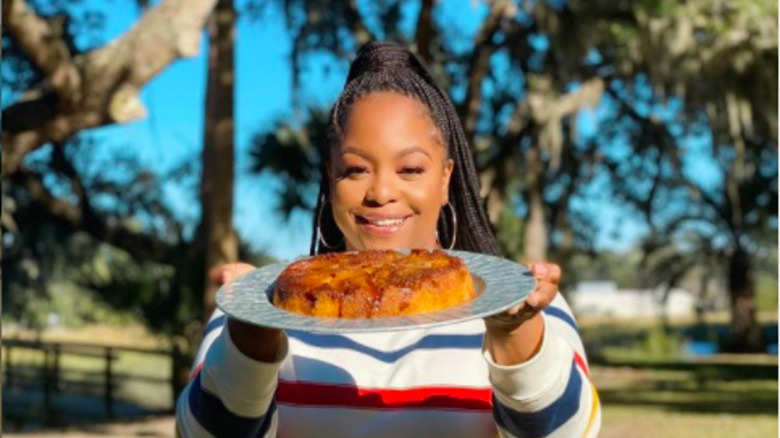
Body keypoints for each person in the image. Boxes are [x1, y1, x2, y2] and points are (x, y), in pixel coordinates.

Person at [176, 41, 600, 438]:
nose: (380, 192)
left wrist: (514, 335)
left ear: (445, 179)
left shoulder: (520, 303)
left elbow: (570, 431)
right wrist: (252, 340)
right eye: (355, 170)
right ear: (330, 179)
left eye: (411, 169)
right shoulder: (265, 305)